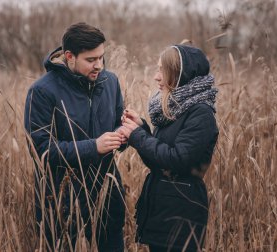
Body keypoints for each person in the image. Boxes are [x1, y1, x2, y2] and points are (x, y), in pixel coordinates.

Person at [24, 22, 125, 251]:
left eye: (101, 58)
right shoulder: (42, 91)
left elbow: (118, 125)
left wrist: (128, 133)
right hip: (61, 200)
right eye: (91, 60)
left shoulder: (111, 82)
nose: (99, 65)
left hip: (106, 193)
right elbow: (42, 149)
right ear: (69, 56)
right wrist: (94, 147)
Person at [119, 45, 219, 251]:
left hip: (182, 212)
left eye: (162, 70)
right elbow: (157, 160)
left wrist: (138, 137)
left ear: (180, 74)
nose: (156, 77)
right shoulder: (176, 108)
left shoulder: (200, 113)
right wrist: (142, 128)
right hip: (164, 208)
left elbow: (177, 159)